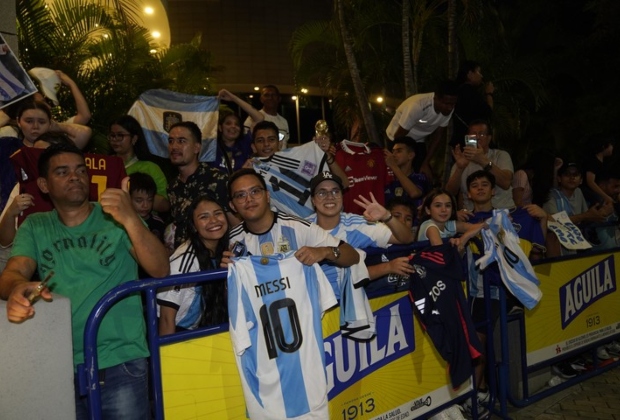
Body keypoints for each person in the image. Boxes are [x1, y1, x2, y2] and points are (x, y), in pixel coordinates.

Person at [0, 142, 169, 419]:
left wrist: (130, 217)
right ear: (43, 184)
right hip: (60, 362)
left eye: (80, 170)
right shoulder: (36, 225)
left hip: (120, 360)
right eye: (62, 172)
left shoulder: (116, 219)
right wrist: (18, 288)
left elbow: (161, 269)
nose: (75, 176)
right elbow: (12, 273)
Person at [460, 170, 546, 416]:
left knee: (477, 338)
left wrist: (543, 219)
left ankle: (479, 392)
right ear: (468, 193)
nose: (479, 188)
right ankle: (481, 389)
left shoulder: (510, 217)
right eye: (474, 185)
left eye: (484, 184)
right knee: (473, 338)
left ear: (493, 190)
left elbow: (536, 248)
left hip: (499, 290)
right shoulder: (462, 220)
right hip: (472, 290)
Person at [226, 168, 359, 268]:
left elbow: (352, 256)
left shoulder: (298, 227)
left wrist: (325, 252)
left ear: (267, 195)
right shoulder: (231, 240)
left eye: (255, 191)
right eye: (240, 195)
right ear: (233, 206)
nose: (249, 199)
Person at [306, 171, 414, 282]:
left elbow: (406, 238)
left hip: (348, 297)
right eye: (322, 193)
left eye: (335, 191)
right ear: (313, 200)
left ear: (342, 197)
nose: (330, 197)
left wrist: (387, 216)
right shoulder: (301, 227)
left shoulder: (358, 224)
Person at [158, 195, 229, 335]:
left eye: (218, 213)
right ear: (193, 226)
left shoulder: (225, 250)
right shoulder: (184, 259)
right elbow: (166, 318)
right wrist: (168, 354)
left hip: (205, 331)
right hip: (179, 334)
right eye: (204, 217)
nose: (214, 220)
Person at [246, 121, 348, 217]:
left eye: (271, 139)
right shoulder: (251, 172)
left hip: (319, 222)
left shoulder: (301, 156)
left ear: (280, 143)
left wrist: (324, 154)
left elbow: (344, 184)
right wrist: (245, 173)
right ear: (253, 147)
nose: (266, 144)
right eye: (260, 140)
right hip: (287, 229)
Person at [167, 121, 234, 248]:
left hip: (216, 260)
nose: (174, 146)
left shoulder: (217, 179)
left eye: (181, 141)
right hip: (183, 259)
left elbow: (234, 224)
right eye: (171, 141)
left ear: (197, 148)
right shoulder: (173, 186)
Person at [385, 80, 459, 178]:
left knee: (423, 174)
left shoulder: (448, 107)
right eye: (447, 104)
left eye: (453, 104)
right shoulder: (418, 106)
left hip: (418, 140)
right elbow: (399, 136)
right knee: (397, 174)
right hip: (396, 138)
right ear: (436, 98)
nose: (450, 108)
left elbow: (438, 136)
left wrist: (425, 162)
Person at [543, 162, 612, 256]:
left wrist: (601, 213)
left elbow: (586, 216)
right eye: (567, 174)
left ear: (581, 180)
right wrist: (586, 216)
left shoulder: (578, 192)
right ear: (559, 178)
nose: (572, 178)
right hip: (558, 251)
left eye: (575, 175)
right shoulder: (551, 196)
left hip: (575, 248)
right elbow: (553, 222)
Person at [446, 119, 515, 210]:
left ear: (489, 138)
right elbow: (449, 193)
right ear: (467, 138)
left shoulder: (500, 155)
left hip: (502, 212)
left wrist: (483, 161)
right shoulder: (462, 161)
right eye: (473, 135)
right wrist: (460, 168)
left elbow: (506, 183)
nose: (477, 137)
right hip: (472, 215)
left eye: (481, 134)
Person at [108, 115, 170, 213]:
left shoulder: (150, 168)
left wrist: (138, 197)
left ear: (134, 138)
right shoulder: (104, 165)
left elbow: (165, 205)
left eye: (120, 135)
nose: (115, 139)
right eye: (112, 135)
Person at [213, 89, 264, 174]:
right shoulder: (211, 146)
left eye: (237, 124)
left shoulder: (244, 144)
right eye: (228, 123)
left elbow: (259, 118)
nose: (233, 126)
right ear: (220, 128)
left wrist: (233, 98)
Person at [416, 188, 486, 249]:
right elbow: (442, 255)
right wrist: (466, 236)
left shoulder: (448, 224)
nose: (444, 210)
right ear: (428, 210)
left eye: (448, 205)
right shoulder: (430, 226)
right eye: (438, 206)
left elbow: (476, 227)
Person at [383, 136, 429, 225]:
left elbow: (414, 193)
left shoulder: (420, 177)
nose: (394, 155)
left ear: (410, 155)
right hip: (389, 228)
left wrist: (394, 166)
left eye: (399, 151)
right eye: (393, 151)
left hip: (413, 228)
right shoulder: (388, 179)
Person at [451, 60, 494, 148]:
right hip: (471, 138)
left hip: (461, 137)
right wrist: (489, 94)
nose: (481, 76)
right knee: (473, 158)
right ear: (470, 74)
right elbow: (487, 112)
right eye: (479, 72)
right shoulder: (469, 92)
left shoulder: (458, 91)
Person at [243, 85, 290, 149]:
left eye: (273, 95)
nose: (270, 98)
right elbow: (245, 142)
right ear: (261, 99)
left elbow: (285, 143)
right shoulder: (253, 118)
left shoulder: (283, 121)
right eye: (266, 95)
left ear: (279, 98)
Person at [128, 172, 165, 242]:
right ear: (127, 198)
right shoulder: (122, 222)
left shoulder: (158, 223)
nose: (145, 205)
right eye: (139, 201)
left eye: (150, 200)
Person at [581, 136, 614, 205]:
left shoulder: (602, 162)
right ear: (603, 147)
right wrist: (605, 196)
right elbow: (590, 182)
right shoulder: (593, 162)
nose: (612, 147)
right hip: (587, 192)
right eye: (610, 145)